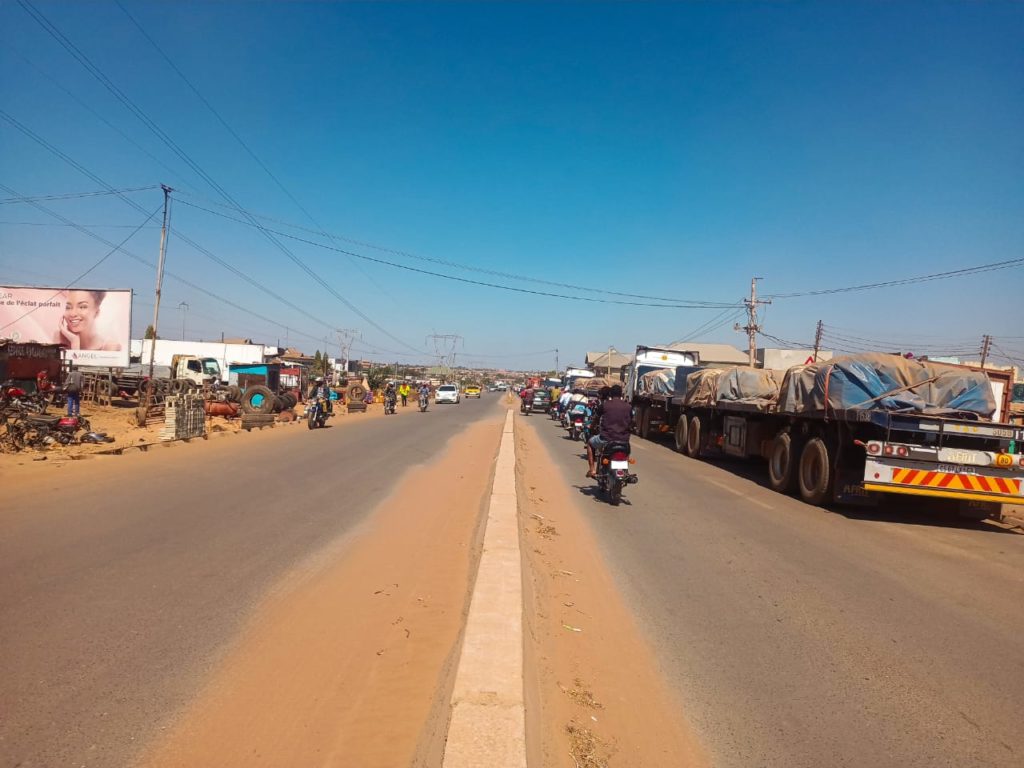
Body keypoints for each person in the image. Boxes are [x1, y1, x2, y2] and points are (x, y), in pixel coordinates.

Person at [586, 384, 632, 478]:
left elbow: (596, 419)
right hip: (624, 440)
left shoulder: (605, 405)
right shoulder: (628, 407)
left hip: (606, 439)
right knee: (625, 453)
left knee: (590, 444)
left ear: (610, 394)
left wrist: (591, 427)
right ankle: (626, 471)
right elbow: (632, 421)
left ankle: (592, 470)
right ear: (621, 394)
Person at [57, 290, 122, 351]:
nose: (73, 314)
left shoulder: (110, 347)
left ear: (96, 312)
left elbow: (76, 363)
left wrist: (75, 346)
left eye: (82, 307)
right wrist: (74, 341)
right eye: (68, 307)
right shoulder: (59, 340)